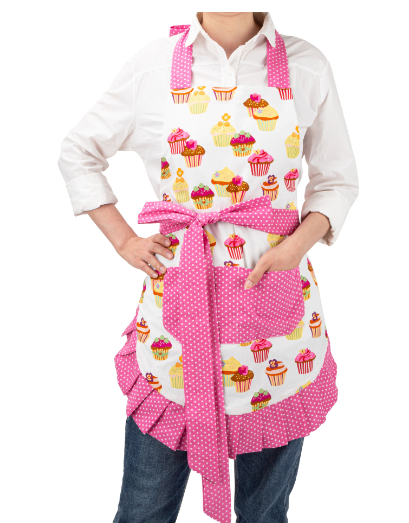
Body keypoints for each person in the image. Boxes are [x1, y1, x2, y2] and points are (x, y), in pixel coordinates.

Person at [58, 11, 358, 523]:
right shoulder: (154, 65)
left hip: (276, 328)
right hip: (176, 327)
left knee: (264, 513)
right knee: (144, 507)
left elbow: (337, 180)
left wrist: (295, 248)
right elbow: (78, 151)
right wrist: (124, 240)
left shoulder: (306, 66)